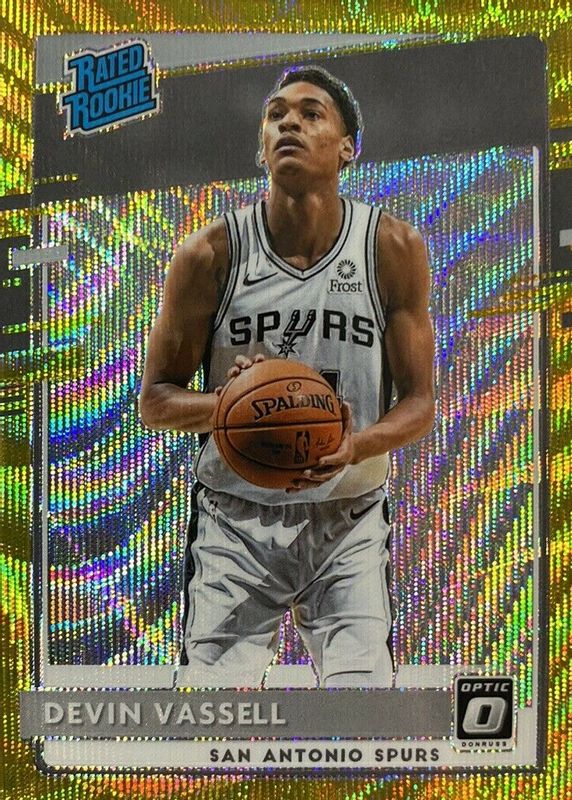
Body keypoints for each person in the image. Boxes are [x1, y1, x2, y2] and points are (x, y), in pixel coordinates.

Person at [139, 65, 435, 689]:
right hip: (237, 522)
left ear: (347, 147)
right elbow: (156, 402)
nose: (288, 124)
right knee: (212, 716)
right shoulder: (209, 253)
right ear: (261, 146)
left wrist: (357, 444)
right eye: (276, 115)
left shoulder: (391, 247)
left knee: (363, 712)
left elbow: (420, 403)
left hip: (348, 517)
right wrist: (230, 402)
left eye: (309, 113)